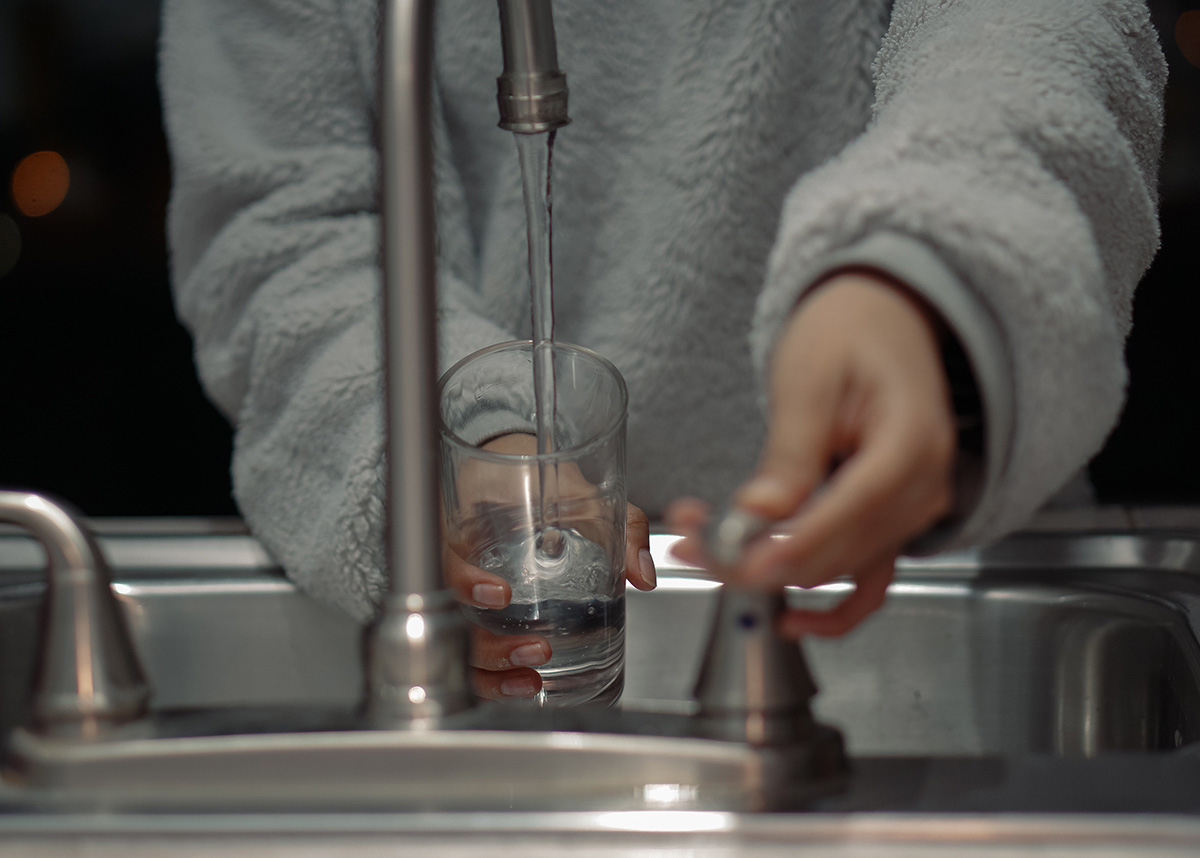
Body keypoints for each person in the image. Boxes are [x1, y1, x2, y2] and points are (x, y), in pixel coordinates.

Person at [159, 0, 1167, 698]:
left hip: (926, 596)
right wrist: (448, 445)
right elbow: (279, 223)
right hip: (489, 649)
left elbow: (1039, 34)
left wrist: (924, 273)